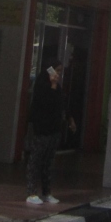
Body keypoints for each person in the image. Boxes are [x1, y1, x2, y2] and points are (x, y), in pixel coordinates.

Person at [25, 62, 75, 206]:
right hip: (42, 129)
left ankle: (46, 193)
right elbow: (47, 104)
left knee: (48, 162)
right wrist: (52, 85)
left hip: (54, 129)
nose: (58, 74)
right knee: (35, 160)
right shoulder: (41, 86)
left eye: (59, 71)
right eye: (56, 70)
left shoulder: (58, 88)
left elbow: (61, 104)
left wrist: (70, 119)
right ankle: (31, 192)